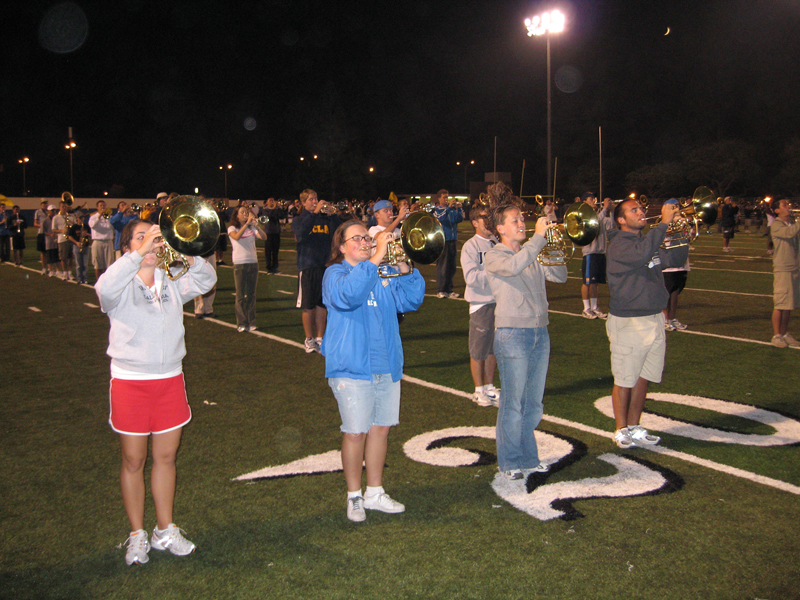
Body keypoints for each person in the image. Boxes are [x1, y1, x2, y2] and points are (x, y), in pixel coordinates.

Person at [95, 218, 216, 566]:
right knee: (134, 460)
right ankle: (137, 534)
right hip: (131, 381)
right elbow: (102, 292)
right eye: (141, 237)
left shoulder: (171, 280)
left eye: (155, 238)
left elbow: (207, 280)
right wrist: (139, 254)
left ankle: (165, 529)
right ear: (126, 247)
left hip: (169, 380)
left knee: (166, 459)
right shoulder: (120, 282)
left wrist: (186, 252)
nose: (151, 243)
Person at [321, 220, 425, 522]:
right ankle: (354, 496)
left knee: (381, 428)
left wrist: (404, 268)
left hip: (386, 363)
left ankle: (375, 492)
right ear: (342, 247)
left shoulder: (381, 271)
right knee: (356, 433)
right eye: (359, 239)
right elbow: (348, 296)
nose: (366, 242)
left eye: (368, 237)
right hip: (352, 367)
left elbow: (411, 300)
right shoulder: (335, 273)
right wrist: (378, 255)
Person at [484, 183, 567, 480]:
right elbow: (515, 266)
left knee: (533, 404)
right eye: (516, 221)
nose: (523, 223)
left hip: (539, 333)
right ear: (500, 229)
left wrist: (554, 248)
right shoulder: (494, 255)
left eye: (523, 219)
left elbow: (560, 276)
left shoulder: (531, 252)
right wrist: (539, 240)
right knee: (513, 403)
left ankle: (529, 458)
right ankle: (509, 462)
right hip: (512, 335)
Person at [605, 198, 689, 449]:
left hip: (653, 317)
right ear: (621, 220)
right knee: (624, 378)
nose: (641, 212)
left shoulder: (644, 242)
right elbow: (642, 256)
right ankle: (621, 429)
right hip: (628, 321)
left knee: (644, 377)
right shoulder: (619, 244)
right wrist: (663, 224)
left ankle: (634, 426)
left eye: (642, 209)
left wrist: (682, 233)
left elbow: (673, 259)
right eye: (634, 210)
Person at [460, 205, 501, 408]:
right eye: (485, 218)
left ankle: (490, 386)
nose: (489, 221)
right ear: (475, 222)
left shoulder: (496, 242)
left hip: (498, 301)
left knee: (493, 349)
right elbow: (471, 277)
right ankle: (478, 390)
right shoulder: (471, 246)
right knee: (478, 350)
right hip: (481, 302)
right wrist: (495, 272)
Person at [292, 189, 341, 352]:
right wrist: (315, 213)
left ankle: (320, 338)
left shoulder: (324, 218)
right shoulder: (299, 219)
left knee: (322, 304)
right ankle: (309, 338)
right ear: (304, 203)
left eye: (316, 198)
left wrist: (333, 215)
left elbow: (337, 233)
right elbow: (301, 234)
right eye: (311, 199)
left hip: (325, 266)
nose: (315, 201)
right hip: (308, 266)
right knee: (308, 305)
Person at [228, 205, 266, 332]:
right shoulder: (232, 228)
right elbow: (236, 237)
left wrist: (255, 225)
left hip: (253, 263)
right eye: (242, 212)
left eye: (246, 212)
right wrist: (247, 224)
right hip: (240, 263)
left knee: (251, 294)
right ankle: (241, 323)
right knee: (240, 295)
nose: (245, 214)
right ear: (237, 215)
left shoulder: (251, 227)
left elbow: (264, 237)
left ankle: (252, 321)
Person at [769, 198, 800, 348]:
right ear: (777, 211)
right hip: (783, 268)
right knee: (780, 303)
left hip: (793, 268)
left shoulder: (791, 224)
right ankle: (776, 336)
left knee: (789, 304)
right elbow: (789, 234)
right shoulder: (776, 225)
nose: (788, 207)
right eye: (784, 205)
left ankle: (784, 333)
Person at [578, 193, 614, 319]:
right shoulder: (583, 215)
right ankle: (586, 308)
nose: (594, 200)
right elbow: (594, 224)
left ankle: (594, 307)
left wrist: (612, 211)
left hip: (600, 252)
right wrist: (605, 209)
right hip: (590, 252)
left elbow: (611, 225)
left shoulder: (600, 214)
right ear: (584, 202)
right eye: (591, 199)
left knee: (595, 283)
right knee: (587, 282)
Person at [431, 189, 464, 298]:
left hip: (453, 240)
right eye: (444, 197)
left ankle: (449, 290)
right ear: (439, 198)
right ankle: (440, 290)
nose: (446, 199)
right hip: (443, 241)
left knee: (451, 267)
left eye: (447, 197)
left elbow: (459, 219)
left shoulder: (451, 210)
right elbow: (441, 219)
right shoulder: (438, 210)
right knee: (442, 267)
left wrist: (459, 208)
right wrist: (449, 207)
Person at [89, 200, 115, 279]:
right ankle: (98, 283)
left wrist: (107, 218)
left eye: (104, 205)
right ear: (97, 207)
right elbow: (92, 225)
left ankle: (108, 282)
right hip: (98, 242)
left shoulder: (110, 217)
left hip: (108, 241)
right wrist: (99, 216)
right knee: (98, 264)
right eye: (100, 205)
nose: (102, 207)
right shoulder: (93, 217)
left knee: (109, 264)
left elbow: (113, 227)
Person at [259, 197, 286, 274]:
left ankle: (275, 267)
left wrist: (280, 208)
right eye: (270, 200)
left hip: (276, 232)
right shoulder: (264, 210)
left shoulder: (277, 209)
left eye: (273, 200)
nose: (272, 202)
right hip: (268, 232)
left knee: (275, 251)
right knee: (268, 251)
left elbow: (282, 216)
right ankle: (269, 268)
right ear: (267, 202)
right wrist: (274, 207)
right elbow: (269, 216)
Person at [68, 212, 92, 284]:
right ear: (77, 218)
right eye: (80, 218)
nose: (82, 219)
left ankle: (85, 278)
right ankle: (79, 278)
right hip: (77, 246)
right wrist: (76, 242)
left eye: (82, 217)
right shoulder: (74, 227)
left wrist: (87, 234)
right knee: (78, 264)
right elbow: (69, 236)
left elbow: (92, 234)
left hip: (86, 246)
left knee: (85, 264)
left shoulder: (86, 226)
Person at [34, 200, 49, 274]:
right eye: (44, 204)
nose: (45, 205)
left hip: (48, 233)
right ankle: (43, 268)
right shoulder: (38, 212)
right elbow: (35, 223)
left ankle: (50, 268)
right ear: (41, 204)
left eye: (46, 204)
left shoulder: (49, 212)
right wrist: (42, 226)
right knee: (43, 251)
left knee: (49, 251)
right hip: (41, 233)